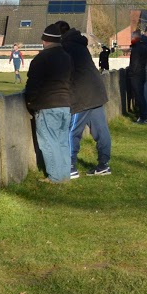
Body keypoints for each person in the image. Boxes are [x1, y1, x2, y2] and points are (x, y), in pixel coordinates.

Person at [23, 22, 73, 183]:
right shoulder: (67, 57)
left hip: (47, 105)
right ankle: (65, 174)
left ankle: (55, 177)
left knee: (48, 142)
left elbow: (32, 85)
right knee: (62, 141)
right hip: (65, 104)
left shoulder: (41, 58)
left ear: (45, 41)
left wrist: (30, 103)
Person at [62, 28, 111, 176]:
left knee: (72, 131)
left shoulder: (66, 48)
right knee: (101, 130)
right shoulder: (80, 46)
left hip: (81, 95)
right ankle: (104, 164)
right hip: (96, 92)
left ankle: (70, 166)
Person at [126, 29, 147, 124]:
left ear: (134, 37)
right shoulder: (143, 47)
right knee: (141, 95)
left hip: (136, 75)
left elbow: (135, 63)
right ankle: (144, 115)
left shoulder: (137, 48)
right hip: (141, 73)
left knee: (139, 96)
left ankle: (143, 116)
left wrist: (131, 73)